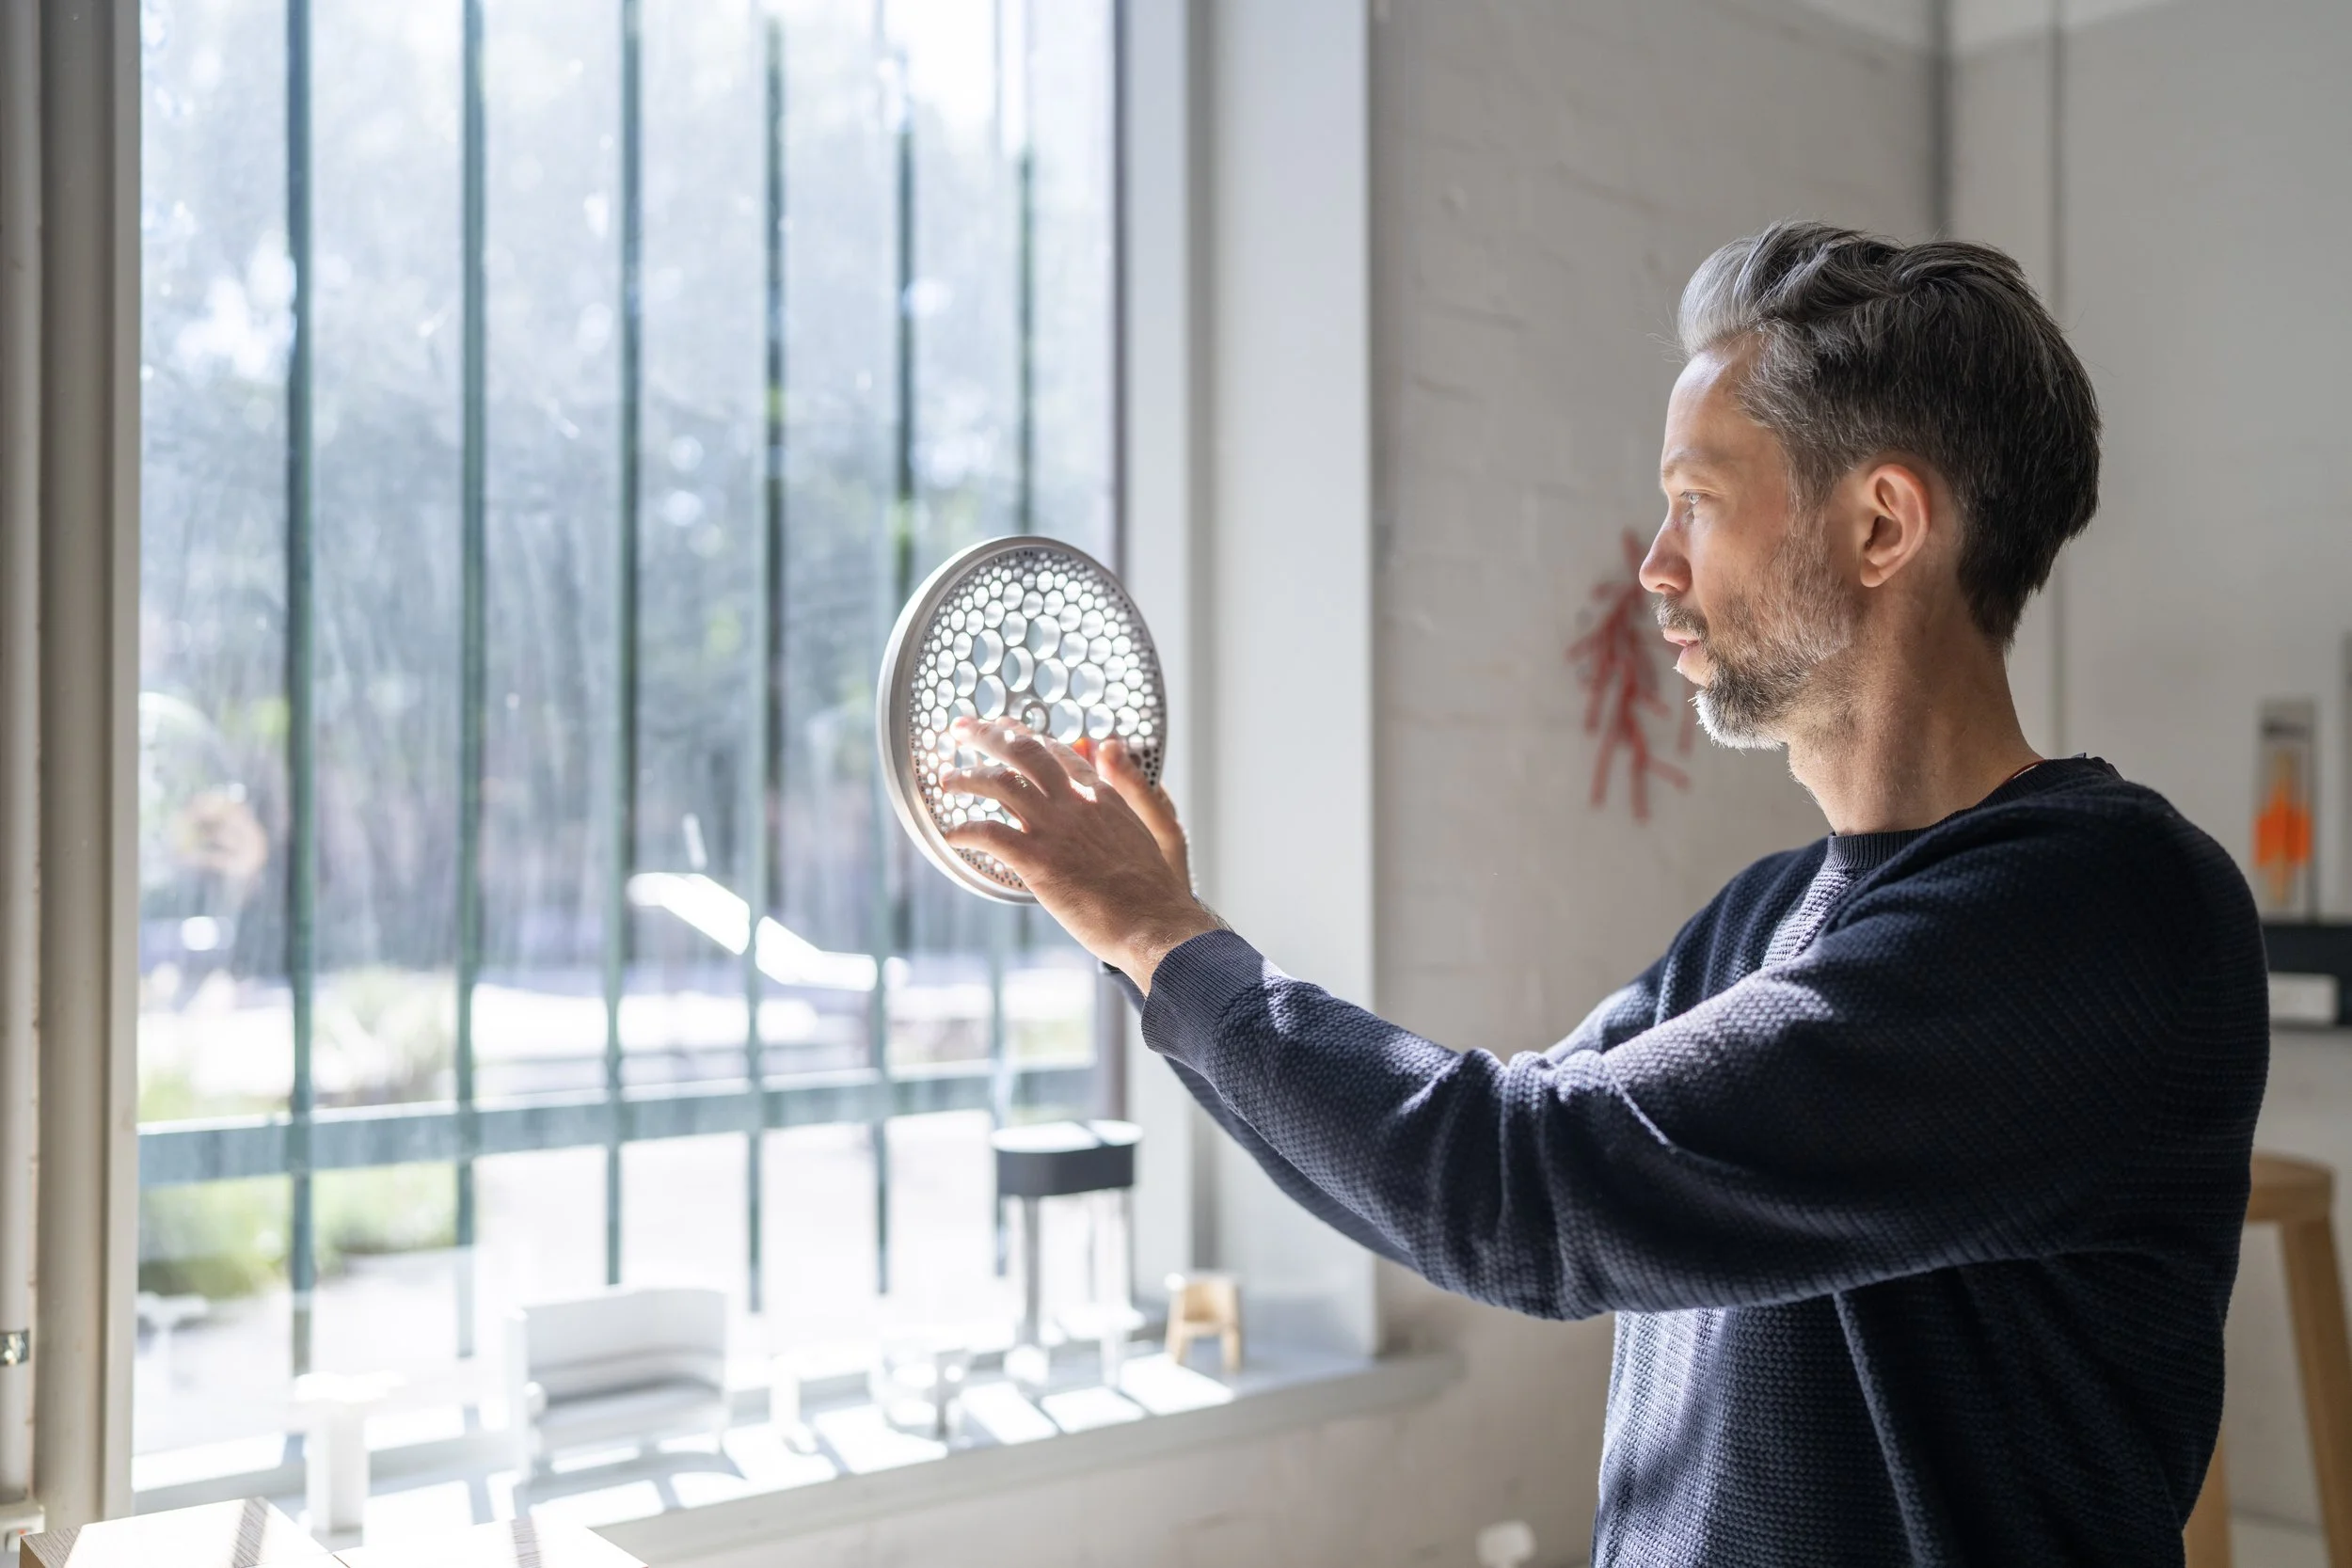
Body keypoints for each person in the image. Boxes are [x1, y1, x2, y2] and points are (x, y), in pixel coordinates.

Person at [937, 221, 2268, 1566]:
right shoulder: (1760, 920)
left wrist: (1163, 935)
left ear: (1880, 524)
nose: (1656, 566)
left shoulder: (2107, 907)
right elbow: (1481, 1179)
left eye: (1697, 500)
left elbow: (1525, 1187)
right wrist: (1152, 945)